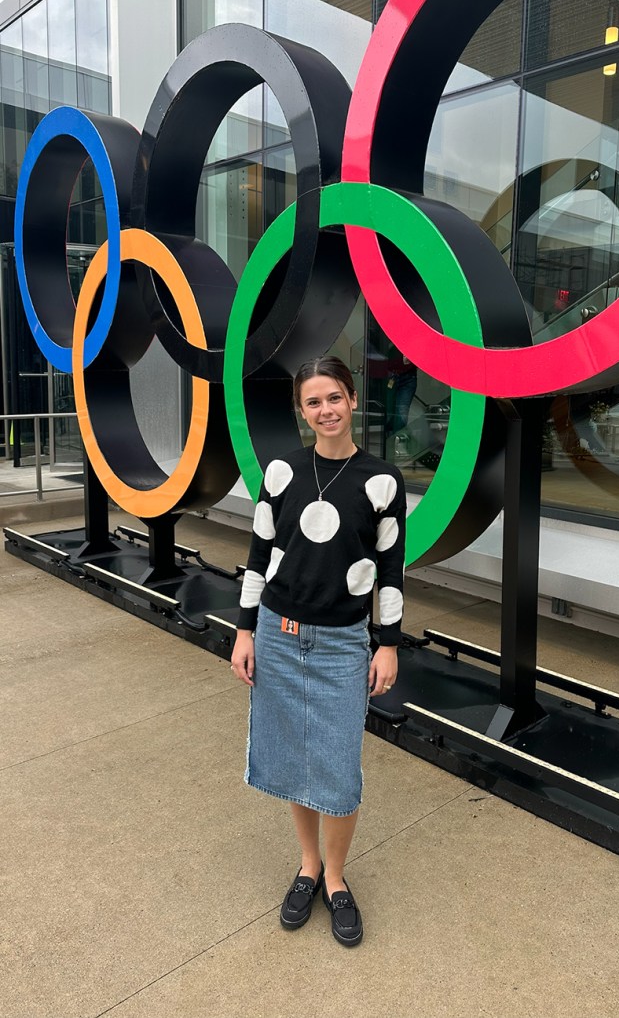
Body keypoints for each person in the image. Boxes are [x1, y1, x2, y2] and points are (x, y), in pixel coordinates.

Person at [230, 355, 406, 947]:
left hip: (342, 646)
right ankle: (308, 867)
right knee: (290, 758)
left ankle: (336, 878)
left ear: (353, 400)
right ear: (302, 412)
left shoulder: (381, 481)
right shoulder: (281, 472)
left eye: (334, 398)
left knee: (336, 765)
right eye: (313, 402)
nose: (325, 410)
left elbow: (390, 572)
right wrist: (244, 631)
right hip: (279, 636)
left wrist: (387, 645)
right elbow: (259, 556)